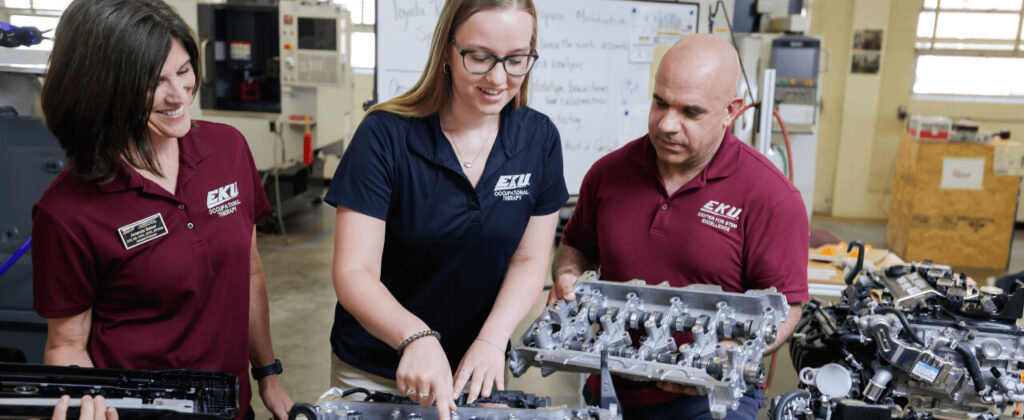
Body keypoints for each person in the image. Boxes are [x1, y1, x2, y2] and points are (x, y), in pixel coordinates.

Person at [31, 0, 293, 418]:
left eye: (184, 70)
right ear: (105, 88)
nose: (179, 96)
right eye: (155, 82)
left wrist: (268, 376)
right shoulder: (67, 211)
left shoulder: (228, 149)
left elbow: (250, 269)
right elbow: (67, 344)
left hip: (229, 408)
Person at [324, 1, 567, 419]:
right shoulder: (385, 137)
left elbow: (529, 261)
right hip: (377, 372)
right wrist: (415, 337)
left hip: (475, 375)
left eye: (516, 60)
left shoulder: (539, 139)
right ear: (447, 51)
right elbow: (353, 273)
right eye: (479, 57)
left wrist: (492, 340)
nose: (498, 78)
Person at [548, 34, 809, 420]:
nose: (667, 124)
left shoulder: (771, 196)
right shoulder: (608, 174)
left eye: (691, 112)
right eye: (659, 103)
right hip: (610, 386)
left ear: (731, 111)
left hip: (709, 399)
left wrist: (730, 352)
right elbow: (576, 245)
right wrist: (568, 275)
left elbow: (788, 306)